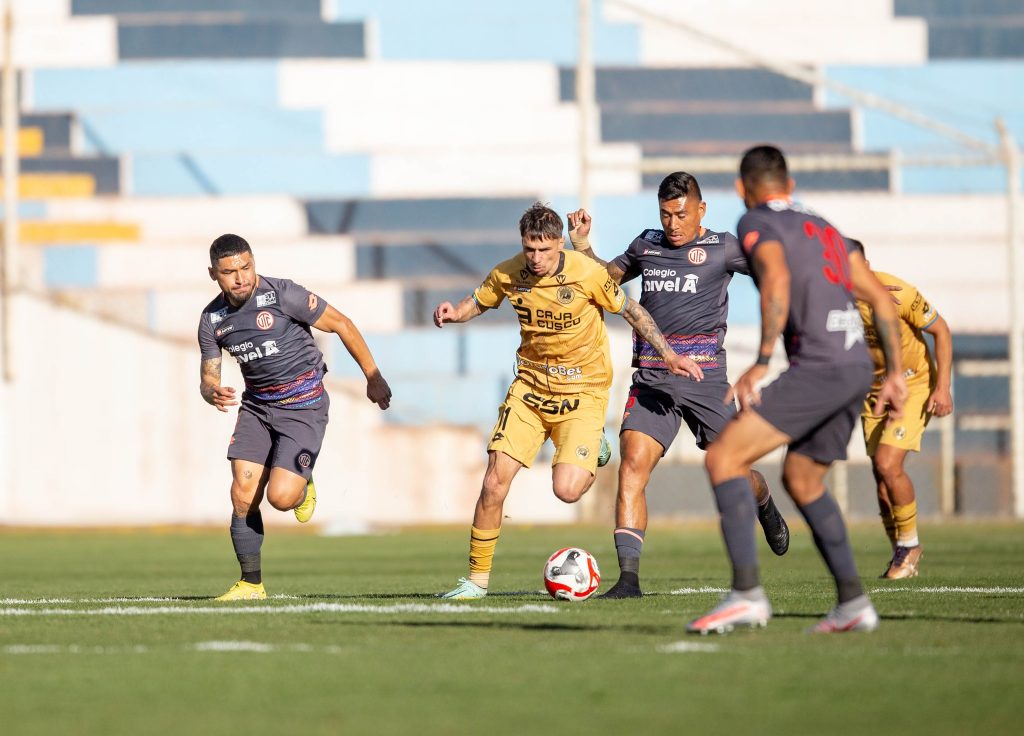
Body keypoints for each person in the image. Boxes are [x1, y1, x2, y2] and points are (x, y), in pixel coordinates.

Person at [687, 145, 907, 635]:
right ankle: (853, 604)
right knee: (804, 480)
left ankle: (746, 595)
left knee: (724, 459)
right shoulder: (826, 226)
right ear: (789, 183)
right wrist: (893, 372)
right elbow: (879, 300)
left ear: (742, 189)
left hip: (821, 366)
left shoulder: (756, 222)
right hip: (855, 367)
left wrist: (763, 360)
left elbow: (777, 280)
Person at [434, 203, 704, 600]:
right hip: (530, 390)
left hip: (582, 391)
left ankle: (593, 445)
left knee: (568, 490)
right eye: (530, 249)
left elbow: (631, 311)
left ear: (560, 242)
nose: (537, 258)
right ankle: (476, 581)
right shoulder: (509, 273)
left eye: (545, 249)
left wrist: (668, 354)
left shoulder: (587, 274)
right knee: (493, 482)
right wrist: (456, 312)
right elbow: (481, 299)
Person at [566, 171, 790, 600]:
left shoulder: (722, 247)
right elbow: (604, 283)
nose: (672, 223)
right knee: (632, 465)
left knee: (736, 473)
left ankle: (764, 501)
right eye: (665, 214)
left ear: (701, 210)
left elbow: (773, 275)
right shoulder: (645, 244)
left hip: (706, 381)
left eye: (681, 214)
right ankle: (628, 580)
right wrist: (582, 247)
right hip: (653, 380)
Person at [198, 234, 391, 601]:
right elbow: (209, 375)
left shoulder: (283, 294)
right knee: (241, 493)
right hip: (257, 408)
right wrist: (212, 392)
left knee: (282, 498)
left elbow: (342, 324)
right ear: (213, 274)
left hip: (303, 404)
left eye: (246, 267)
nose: (240, 277)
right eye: (229, 272)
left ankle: (302, 479)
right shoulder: (212, 320)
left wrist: (373, 376)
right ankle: (250, 585)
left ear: (254, 263)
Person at [847, 239, 953, 579]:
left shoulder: (897, 292)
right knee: (882, 481)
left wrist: (942, 387)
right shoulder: (833, 302)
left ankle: (910, 546)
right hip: (873, 393)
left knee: (887, 463)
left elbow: (942, 330)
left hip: (913, 384)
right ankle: (900, 555)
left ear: (866, 264)